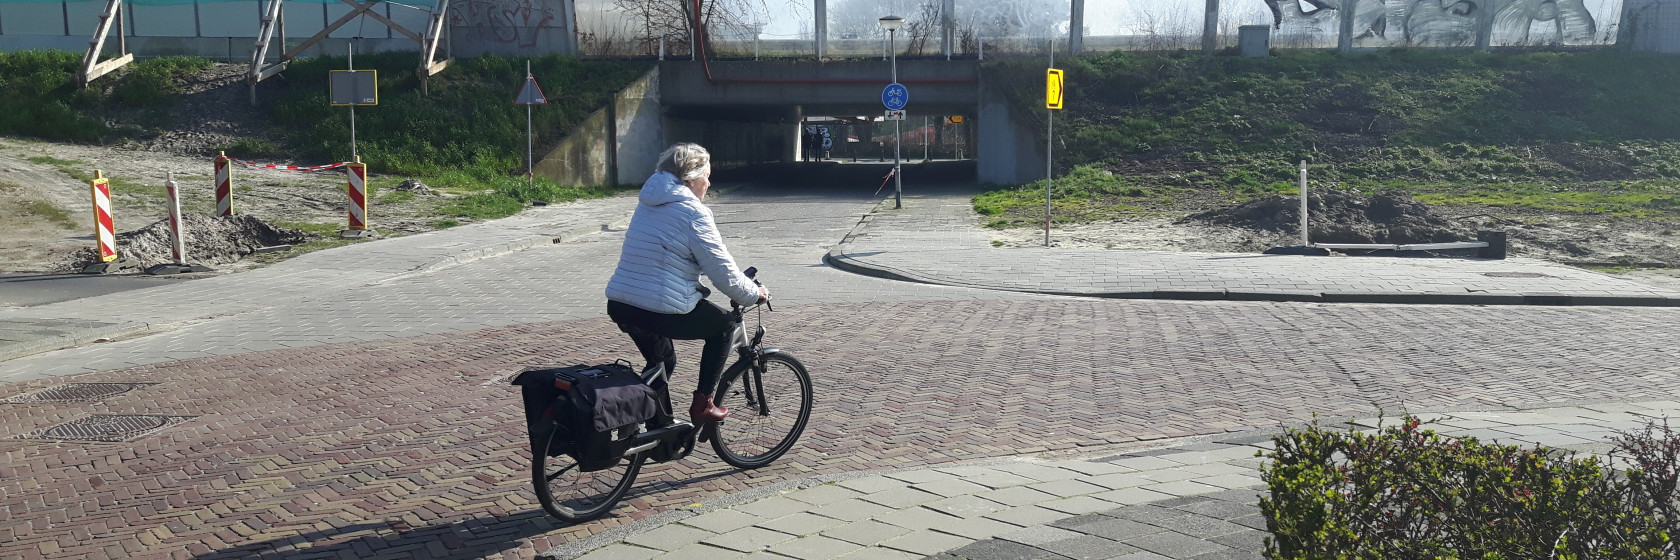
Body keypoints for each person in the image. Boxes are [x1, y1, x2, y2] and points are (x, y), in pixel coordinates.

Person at [605, 143, 768, 435]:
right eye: (706, 175)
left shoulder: (649, 202)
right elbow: (724, 273)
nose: (709, 182)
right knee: (724, 327)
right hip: (659, 307)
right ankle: (703, 404)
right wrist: (754, 293)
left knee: (663, 360)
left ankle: (656, 427)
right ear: (690, 179)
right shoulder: (694, 212)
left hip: (621, 302)